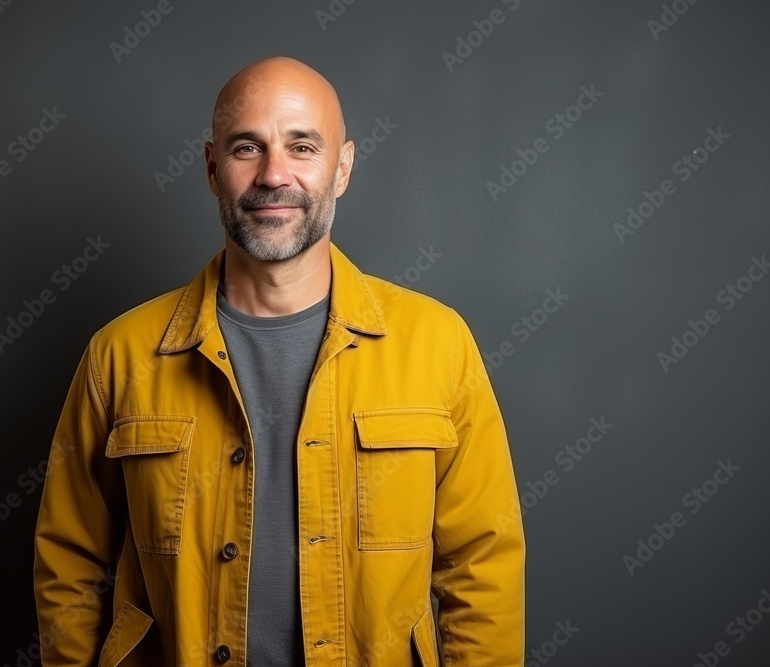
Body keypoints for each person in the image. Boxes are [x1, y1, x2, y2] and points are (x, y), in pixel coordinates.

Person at [33, 54, 525, 667]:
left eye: (302, 147)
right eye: (246, 148)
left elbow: (482, 564)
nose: (273, 175)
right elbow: (68, 561)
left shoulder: (438, 343)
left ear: (342, 167)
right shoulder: (120, 355)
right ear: (213, 168)